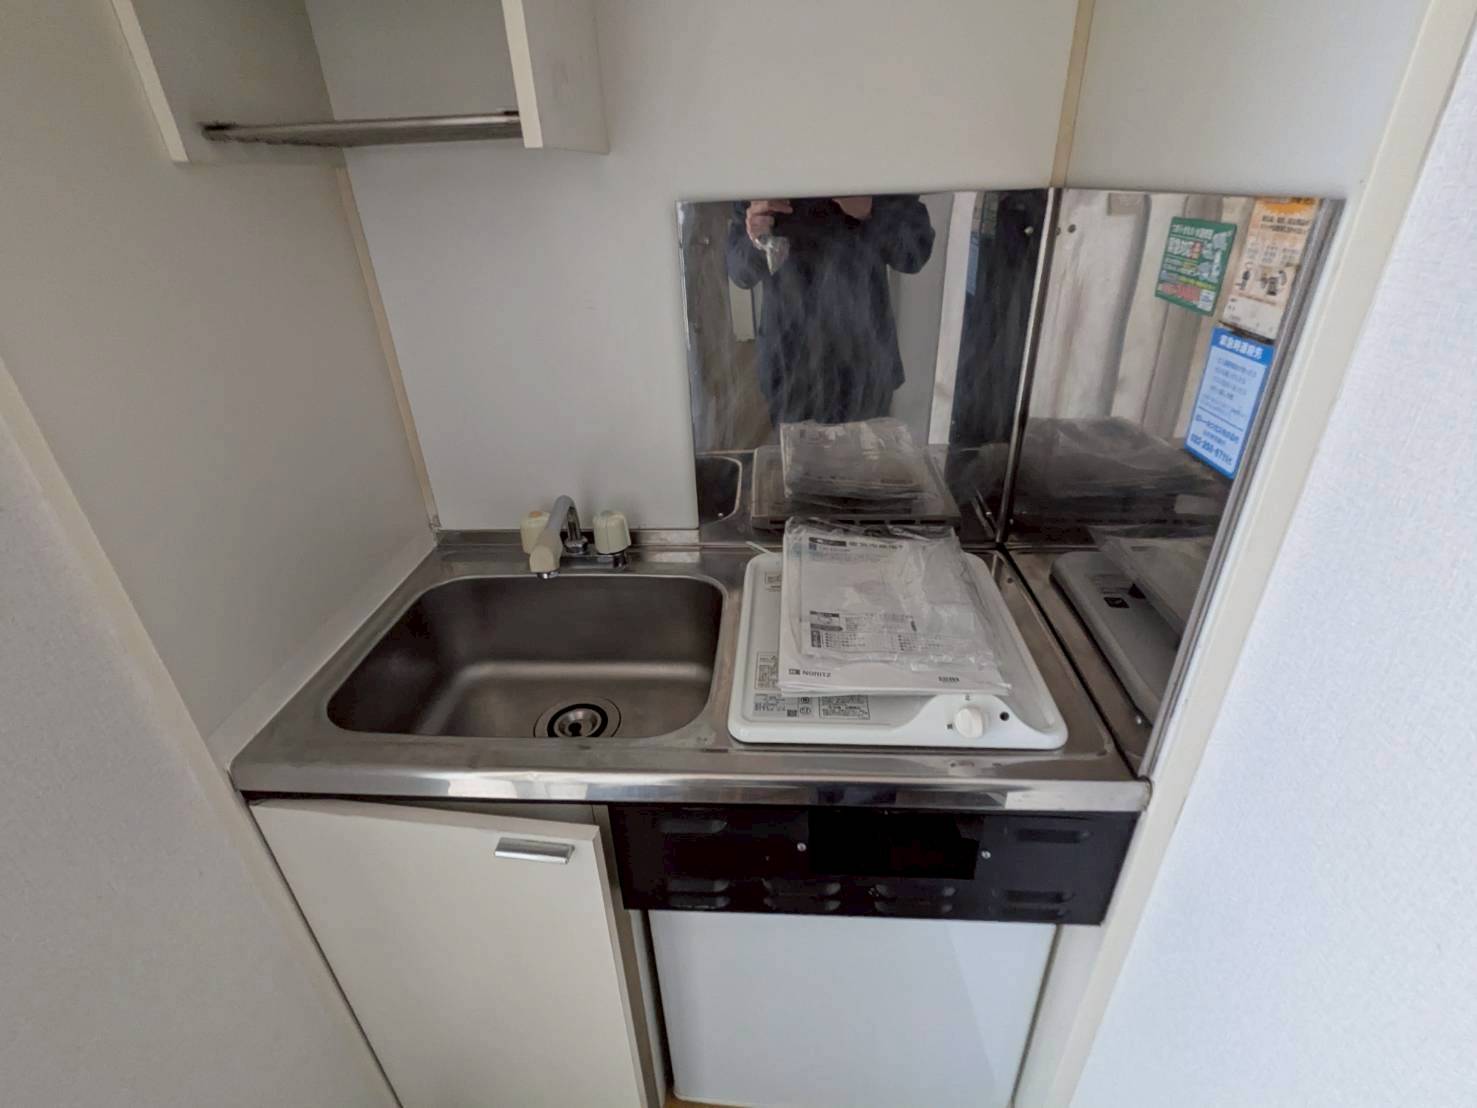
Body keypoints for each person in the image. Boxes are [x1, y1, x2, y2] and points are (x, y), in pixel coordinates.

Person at [726, 194, 934, 427]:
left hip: (865, 365)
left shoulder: (877, 174)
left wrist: (872, 209)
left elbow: (915, 252)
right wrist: (756, 238)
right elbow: (740, 273)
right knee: (798, 451)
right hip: (790, 365)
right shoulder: (763, 179)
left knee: (867, 451)